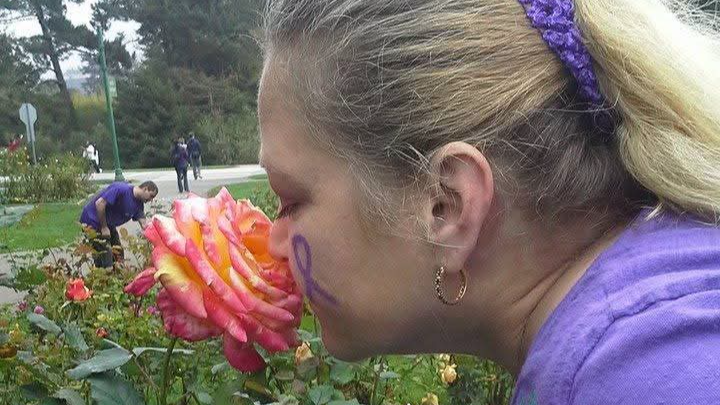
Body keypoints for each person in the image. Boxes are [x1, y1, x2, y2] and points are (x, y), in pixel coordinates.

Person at [259, 1, 720, 404]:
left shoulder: (645, 377)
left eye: (291, 200)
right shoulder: (633, 330)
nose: (275, 241)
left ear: (447, 207)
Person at [80, 181, 157, 268]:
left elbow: (144, 225)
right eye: (151, 196)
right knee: (105, 256)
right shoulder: (121, 189)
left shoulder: (139, 204)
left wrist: (158, 238)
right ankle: (105, 273)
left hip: (108, 223)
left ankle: (117, 273)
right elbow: (99, 203)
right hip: (91, 221)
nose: (151, 200)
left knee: (118, 254)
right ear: (145, 189)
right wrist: (104, 227)